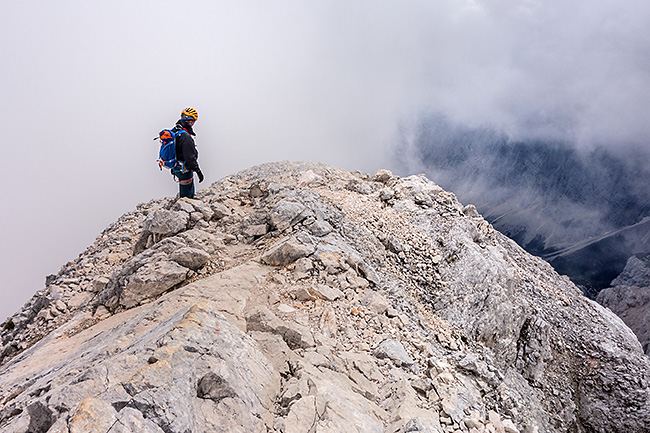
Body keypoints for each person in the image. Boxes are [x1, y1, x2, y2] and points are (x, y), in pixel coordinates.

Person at [171, 107, 204, 199]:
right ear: (190, 121)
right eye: (193, 121)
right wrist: (198, 171)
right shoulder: (185, 137)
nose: (193, 123)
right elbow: (189, 157)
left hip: (176, 166)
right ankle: (185, 206)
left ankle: (185, 201)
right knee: (187, 195)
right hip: (183, 168)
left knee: (184, 187)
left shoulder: (176, 131)